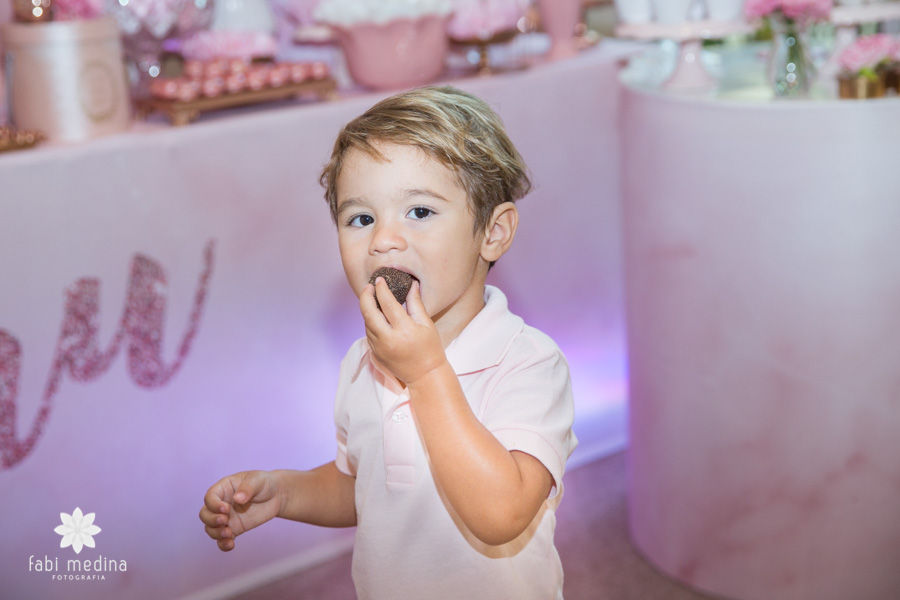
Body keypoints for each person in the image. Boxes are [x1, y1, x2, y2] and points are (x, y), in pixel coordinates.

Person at [199, 85, 578, 599]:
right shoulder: (362, 362)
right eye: (361, 218)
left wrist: (425, 374)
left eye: (419, 212)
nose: (382, 240)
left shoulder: (528, 362)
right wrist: (286, 493)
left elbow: (501, 513)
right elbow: (365, 487)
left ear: (493, 232)